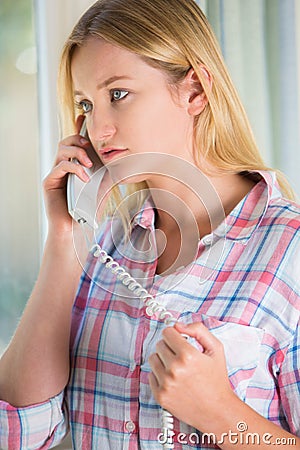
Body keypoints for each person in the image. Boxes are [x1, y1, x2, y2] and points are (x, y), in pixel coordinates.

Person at [0, 0, 299, 448]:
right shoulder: (104, 247)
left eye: (117, 94)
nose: (97, 129)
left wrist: (218, 411)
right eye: (86, 103)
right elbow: (22, 433)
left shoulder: (289, 248)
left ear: (195, 91)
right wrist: (64, 238)